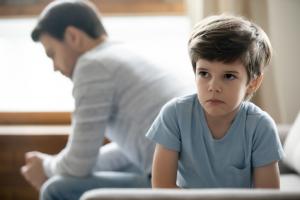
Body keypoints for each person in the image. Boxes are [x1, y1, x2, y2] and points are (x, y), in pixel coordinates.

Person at [20, 0, 191, 199]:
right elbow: (128, 150)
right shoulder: (122, 54)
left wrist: (47, 168)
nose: (55, 67)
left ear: (72, 37)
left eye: (52, 54)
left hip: (176, 181)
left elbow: (77, 165)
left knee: (55, 189)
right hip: (191, 173)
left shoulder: (92, 66)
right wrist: (54, 164)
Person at [146, 15, 285, 188]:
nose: (213, 87)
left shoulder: (260, 127)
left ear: (253, 82)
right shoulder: (175, 114)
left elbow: (268, 196)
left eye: (228, 76)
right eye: (204, 73)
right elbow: (162, 187)